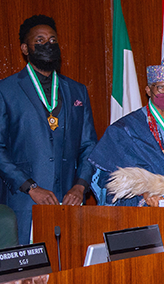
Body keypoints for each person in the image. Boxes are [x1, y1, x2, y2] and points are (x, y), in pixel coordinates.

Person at [0, 15, 98, 244]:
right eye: (40, 40)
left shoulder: (77, 91)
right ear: (25, 48)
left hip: (68, 204)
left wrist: (80, 186)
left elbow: (89, 146)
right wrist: (30, 187)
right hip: (24, 204)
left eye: (53, 40)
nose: (48, 45)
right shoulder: (6, 90)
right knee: (26, 278)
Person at [88, 62, 164, 206]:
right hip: (144, 210)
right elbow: (108, 175)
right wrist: (143, 192)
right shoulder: (125, 129)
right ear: (148, 90)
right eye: (161, 88)